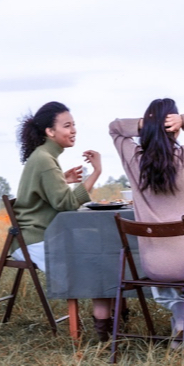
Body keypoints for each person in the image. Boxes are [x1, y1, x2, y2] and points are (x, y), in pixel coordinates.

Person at [109, 101, 184, 345]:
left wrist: (146, 124)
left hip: (157, 266)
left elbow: (115, 127)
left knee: (162, 265)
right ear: (175, 127)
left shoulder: (135, 160)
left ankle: (179, 315)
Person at [13, 101, 109, 336]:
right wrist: (96, 172)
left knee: (102, 249)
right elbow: (66, 204)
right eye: (67, 126)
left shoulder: (44, 156)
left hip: (42, 235)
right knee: (97, 259)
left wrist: (63, 180)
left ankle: (110, 320)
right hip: (35, 239)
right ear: (50, 131)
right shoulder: (45, 160)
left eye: (74, 125)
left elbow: (46, 195)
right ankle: (105, 327)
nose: (73, 130)